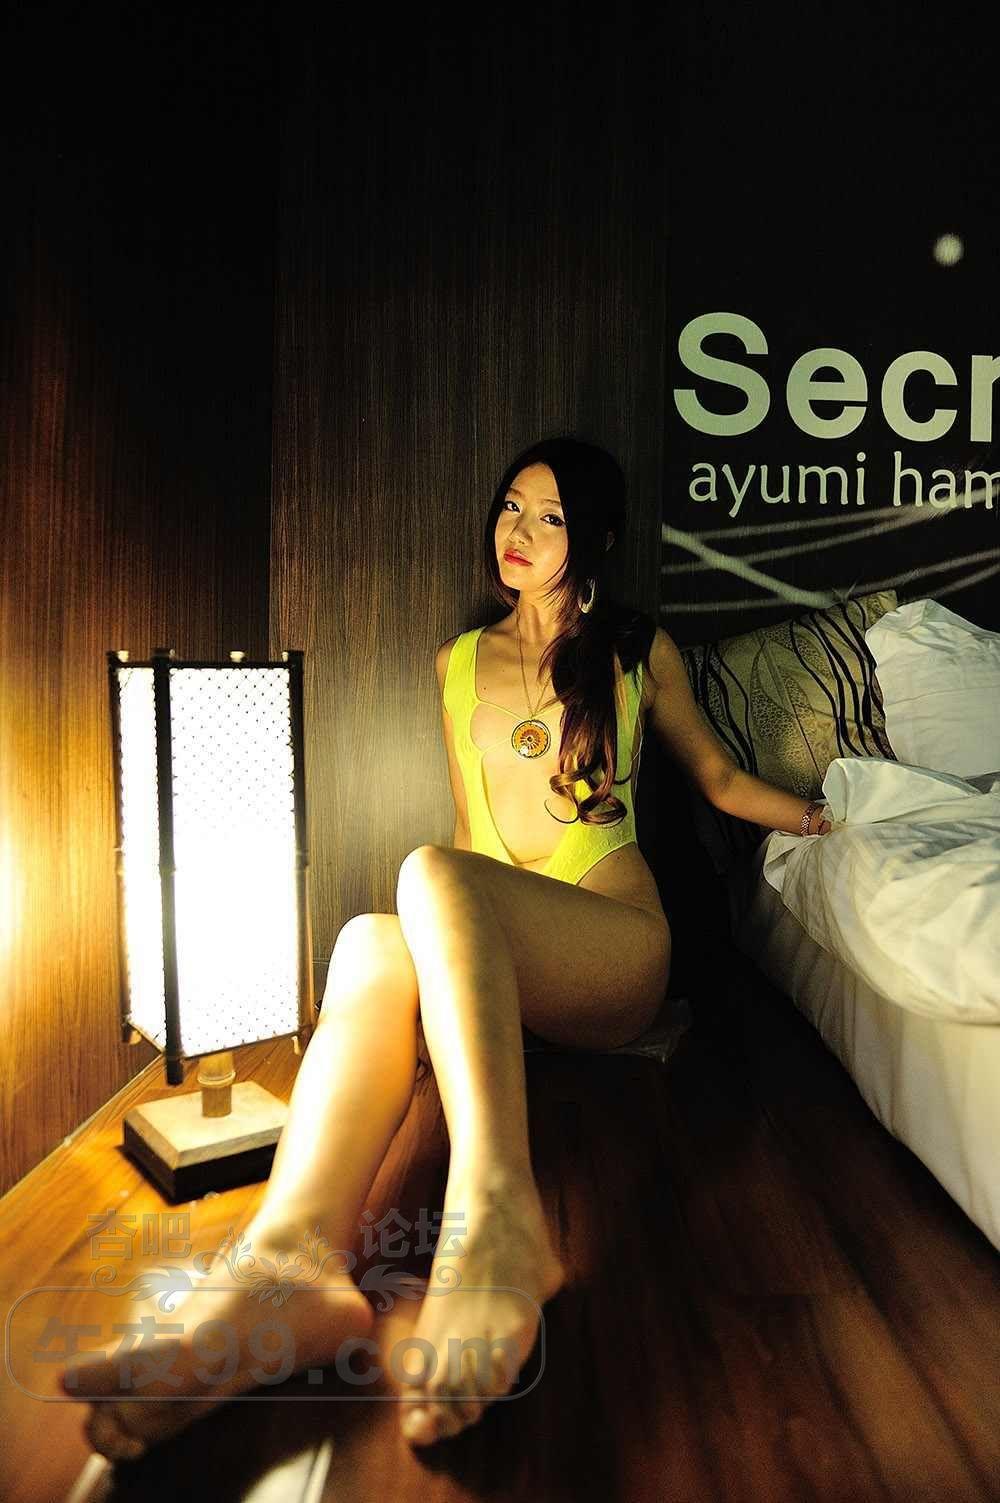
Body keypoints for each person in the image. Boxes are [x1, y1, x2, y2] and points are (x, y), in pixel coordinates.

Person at [60, 437, 831, 1460]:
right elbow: (471, 843)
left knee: (426, 873)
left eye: (550, 517)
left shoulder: (637, 649)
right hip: (505, 947)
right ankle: (285, 1263)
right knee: (372, 941)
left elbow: (721, 782)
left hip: (613, 944)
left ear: (594, 537)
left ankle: (496, 1210)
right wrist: (437, 984)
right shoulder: (457, 661)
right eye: (511, 506)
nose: (520, 532)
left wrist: (826, 822)